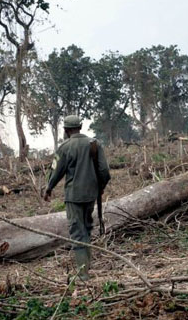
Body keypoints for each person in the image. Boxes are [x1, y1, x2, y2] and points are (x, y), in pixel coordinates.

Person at [44, 114, 111, 281]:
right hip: (90, 196)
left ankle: (83, 275)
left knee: (77, 233)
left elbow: (56, 171)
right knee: (87, 229)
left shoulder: (65, 147)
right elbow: (105, 172)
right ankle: (86, 269)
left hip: (74, 196)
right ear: (80, 127)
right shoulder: (95, 144)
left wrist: (48, 188)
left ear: (66, 130)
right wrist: (100, 188)